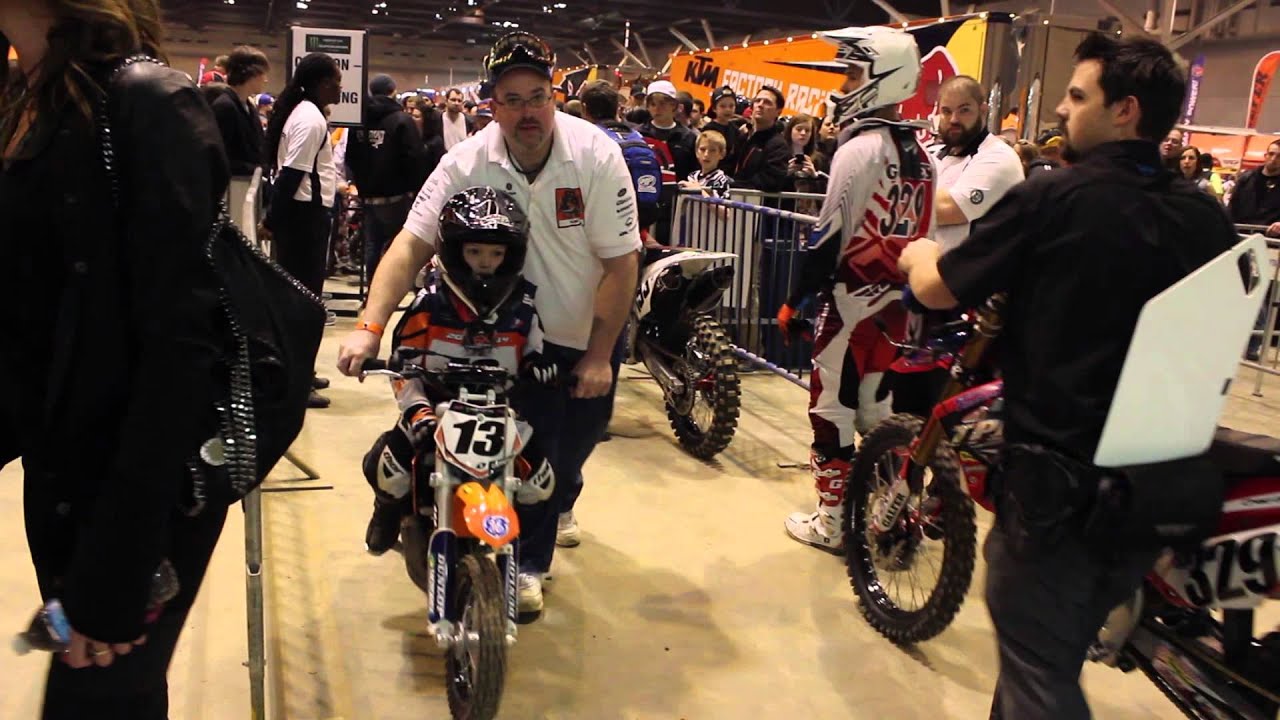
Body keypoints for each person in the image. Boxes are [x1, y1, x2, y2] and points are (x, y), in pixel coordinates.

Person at [897, 33, 1236, 719]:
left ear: (1125, 110)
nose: (1059, 108)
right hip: (1157, 485)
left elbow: (937, 288)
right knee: (1045, 650)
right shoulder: (1204, 214)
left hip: (1059, 489)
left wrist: (919, 254)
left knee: (1038, 673)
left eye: (1078, 96)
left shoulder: (1055, 197)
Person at [336, 31, 640, 617]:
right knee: (501, 452)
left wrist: (600, 354)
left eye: (538, 97)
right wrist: (369, 327)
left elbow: (622, 262)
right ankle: (523, 562)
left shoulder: (596, 155)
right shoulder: (466, 160)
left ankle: (558, 504)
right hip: (491, 339)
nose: (528, 112)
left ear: (555, 97)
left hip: (578, 338)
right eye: (513, 99)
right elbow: (410, 244)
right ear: (492, 105)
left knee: (565, 459)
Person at [0, 1, 232, 716]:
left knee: (98, 699)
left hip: (133, 495)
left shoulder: (145, 103)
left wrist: (120, 561)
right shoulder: (30, 97)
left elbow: (183, 351)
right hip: (63, 472)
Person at [773, 26, 934, 550]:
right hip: (897, 306)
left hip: (850, 301)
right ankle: (895, 513)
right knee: (875, 412)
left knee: (831, 409)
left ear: (881, 77)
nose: (844, 84)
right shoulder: (924, 156)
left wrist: (795, 300)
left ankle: (833, 521)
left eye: (853, 73)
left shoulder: (859, 150)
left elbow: (827, 236)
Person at [362, 187, 556, 552]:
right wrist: (417, 411)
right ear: (455, 250)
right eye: (474, 251)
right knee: (388, 469)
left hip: (501, 410)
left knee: (541, 482)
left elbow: (533, 350)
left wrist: (539, 368)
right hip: (434, 405)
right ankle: (385, 512)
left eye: (496, 253)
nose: (485, 262)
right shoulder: (430, 301)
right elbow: (404, 363)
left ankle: (522, 545)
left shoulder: (523, 303)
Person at [262, 53, 343, 410]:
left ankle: (301, 373)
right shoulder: (310, 118)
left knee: (301, 301)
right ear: (322, 83)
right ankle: (295, 382)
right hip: (303, 219)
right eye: (336, 82)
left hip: (303, 217)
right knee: (303, 304)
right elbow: (291, 175)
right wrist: (272, 220)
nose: (340, 88)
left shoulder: (304, 113)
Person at [345, 73, 430, 284]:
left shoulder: (359, 120)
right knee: (398, 246)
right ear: (393, 92)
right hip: (396, 196)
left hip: (368, 196)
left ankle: (372, 290)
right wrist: (414, 189)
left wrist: (360, 185)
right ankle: (392, 289)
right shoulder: (402, 120)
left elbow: (350, 156)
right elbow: (415, 158)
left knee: (372, 246)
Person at [931, 75, 1024, 252]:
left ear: (983, 111)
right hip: (925, 265)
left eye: (964, 110)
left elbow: (949, 209)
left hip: (971, 269)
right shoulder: (932, 154)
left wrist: (900, 197)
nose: (954, 119)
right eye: (947, 111)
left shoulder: (999, 157)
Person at [1229, 139, 1280, 361]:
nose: (1274, 159)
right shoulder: (1247, 178)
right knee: (1240, 290)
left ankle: (1253, 343)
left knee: (1260, 293)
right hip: (1241, 240)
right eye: (1271, 154)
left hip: (1269, 247)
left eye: (1278, 156)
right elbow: (1232, 208)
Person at [209, 45, 270, 230]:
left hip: (245, 192)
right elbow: (220, 157)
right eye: (263, 74)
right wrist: (255, 168)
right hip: (232, 195)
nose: (266, 79)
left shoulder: (247, 106)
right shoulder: (225, 107)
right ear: (251, 73)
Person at [734, 85, 791, 192]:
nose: (760, 105)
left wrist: (735, 186)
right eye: (757, 101)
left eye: (767, 102)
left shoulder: (778, 146)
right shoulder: (743, 137)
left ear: (778, 111)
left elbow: (770, 181)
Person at [702, 85, 743, 173]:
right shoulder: (709, 129)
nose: (727, 110)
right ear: (714, 108)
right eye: (723, 106)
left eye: (731, 106)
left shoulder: (735, 130)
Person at [681, 129, 732, 198]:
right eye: (702, 149)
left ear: (722, 154)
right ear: (696, 152)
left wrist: (697, 190)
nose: (706, 154)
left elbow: (719, 204)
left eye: (712, 150)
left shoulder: (722, 180)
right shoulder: (692, 177)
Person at [441, 87, 474, 151]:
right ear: (446, 101)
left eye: (459, 101)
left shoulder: (469, 121)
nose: (456, 103)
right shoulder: (438, 119)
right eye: (453, 100)